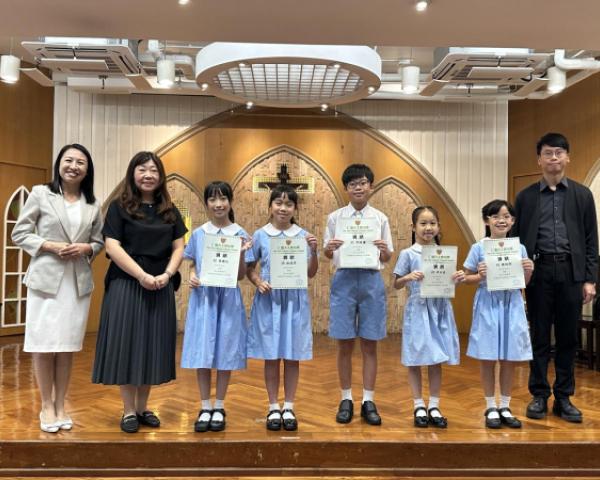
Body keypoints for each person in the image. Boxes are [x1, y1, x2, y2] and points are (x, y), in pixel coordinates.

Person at [92, 151, 187, 433]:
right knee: (127, 344)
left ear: (161, 176)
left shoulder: (169, 210)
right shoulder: (118, 207)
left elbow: (179, 247)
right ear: (132, 173)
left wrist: (167, 274)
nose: (148, 175)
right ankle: (128, 410)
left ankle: (144, 407)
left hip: (161, 284)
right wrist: (141, 275)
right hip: (126, 283)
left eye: (154, 170)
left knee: (152, 345)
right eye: (142, 169)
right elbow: (112, 247)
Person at [12, 143, 103, 433]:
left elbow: (99, 241)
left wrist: (87, 248)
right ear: (59, 164)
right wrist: (49, 245)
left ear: (87, 170)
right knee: (43, 346)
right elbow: (19, 233)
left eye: (80, 162)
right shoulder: (41, 193)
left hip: (76, 285)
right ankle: (46, 406)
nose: (74, 166)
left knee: (66, 347)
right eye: (69, 160)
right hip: (45, 282)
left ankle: (61, 404)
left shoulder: (93, 203)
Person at [513, 132, 598, 423]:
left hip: (571, 273)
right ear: (539, 160)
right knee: (538, 335)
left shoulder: (582, 195)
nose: (553, 158)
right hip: (537, 272)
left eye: (559, 152)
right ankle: (539, 394)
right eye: (548, 153)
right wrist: (517, 278)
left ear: (567, 157)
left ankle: (564, 397)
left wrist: (590, 279)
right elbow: (514, 240)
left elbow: (591, 240)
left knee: (567, 337)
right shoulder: (525, 197)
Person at [324, 163, 393, 426]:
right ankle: (345, 398)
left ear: (371, 186)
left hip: (371, 280)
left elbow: (386, 257)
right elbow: (327, 253)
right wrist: (329, 249)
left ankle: (368, 400)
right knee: (344, 343)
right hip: (344, 280)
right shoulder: (335, 218)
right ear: (346, 188)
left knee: (370, 343)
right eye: (353, 184)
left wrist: (384, 250)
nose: (358, 188)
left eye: (363, 183)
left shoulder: (380, 218)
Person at [181, 181, 252, 433]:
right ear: (206, 203)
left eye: (223, 199)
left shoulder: (240, 233)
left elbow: (241, 275)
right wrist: (192, 276)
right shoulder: (199, 233)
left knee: (225, 352)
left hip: (228, 299)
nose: (218, 204)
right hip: (204, 300)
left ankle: (219, 406)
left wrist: (241, 253)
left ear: (230, 202)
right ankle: (204, 406)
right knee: (202, 352)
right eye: (212, 199)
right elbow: (192, 263)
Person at [246, 184, 318, 431]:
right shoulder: (260, 235)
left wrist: (314, 252)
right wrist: (258, 281)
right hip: (269, 301)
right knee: (271, 356)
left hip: (294, 303)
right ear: (270, 206)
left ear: (295, 208)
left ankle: (289, 406)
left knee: (292, 356)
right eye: (278, 203)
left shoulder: (303, 236)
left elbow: (311, 273)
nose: (283, 208)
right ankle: (273, 406)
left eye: (288, 204)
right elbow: (250, 268)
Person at [463, 200, 534, 429]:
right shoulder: (478, 248)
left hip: (512, 303)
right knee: (488, 356)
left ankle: (505, 405)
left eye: (506, 216)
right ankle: (490, 406)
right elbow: (466, 278)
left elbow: (524, 283)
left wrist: (529, 270)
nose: (501, 220)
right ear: (487, 221)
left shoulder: (519, 248)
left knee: (509, 357)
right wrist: (479, 276)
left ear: (512, 221)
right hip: (488, 303)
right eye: (495, 216)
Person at [393, 206, 464, 428]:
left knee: (436, 358)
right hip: (418, 309)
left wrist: (457, 278)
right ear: (413, 227)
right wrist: (408, 277)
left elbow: (448, 283)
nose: (428, 228)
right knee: (415, 358)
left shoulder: (444, 254)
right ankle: (418, 405)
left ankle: (434, 405)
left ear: (438, 226)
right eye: (423, 223)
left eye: (432, 223)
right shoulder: (408, 254)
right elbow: (396, 283)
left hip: (440, 309)